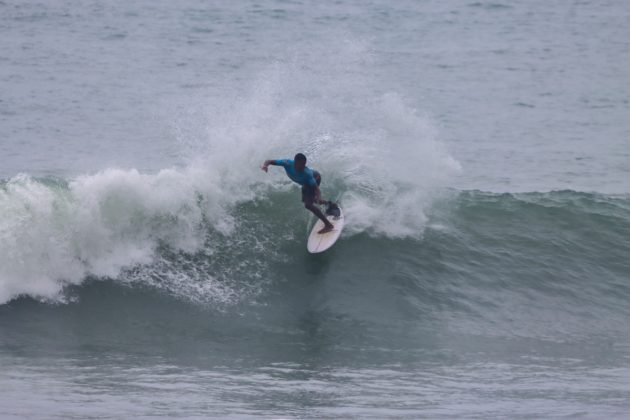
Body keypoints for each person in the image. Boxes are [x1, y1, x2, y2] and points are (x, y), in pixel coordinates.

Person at [261, 153, 337, 234]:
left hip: (315, 178)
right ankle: (330, 204)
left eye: (304, 165)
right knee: (309, 201)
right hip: (305, 183)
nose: (303, 167)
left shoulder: (307, 174)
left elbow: (317, 189)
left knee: (308, 205)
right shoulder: (287, 163)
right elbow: (269, 161)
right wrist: (265, 166)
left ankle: (328, 225)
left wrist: (319, 196)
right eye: (301, 165)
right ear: (295, 162)